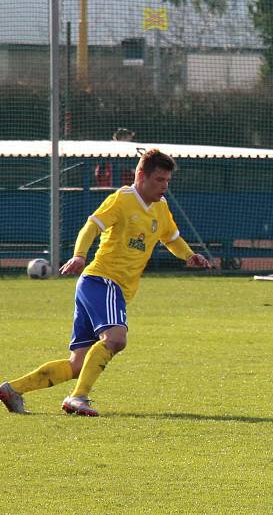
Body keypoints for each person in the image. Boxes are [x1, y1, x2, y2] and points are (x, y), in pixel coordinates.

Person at [0, 149, 210, 417]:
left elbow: (171, 238)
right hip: (103, 281)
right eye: (159, 180)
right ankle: (78, 397)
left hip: (102, 287)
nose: (164, 186)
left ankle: (12, 389)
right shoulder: (122, 199)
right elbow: (91, 226)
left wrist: (189, 255)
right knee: (116, 338)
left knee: (77, 363)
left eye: (167, 181)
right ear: (140, 176)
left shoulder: (161, 206)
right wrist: (79, 255)